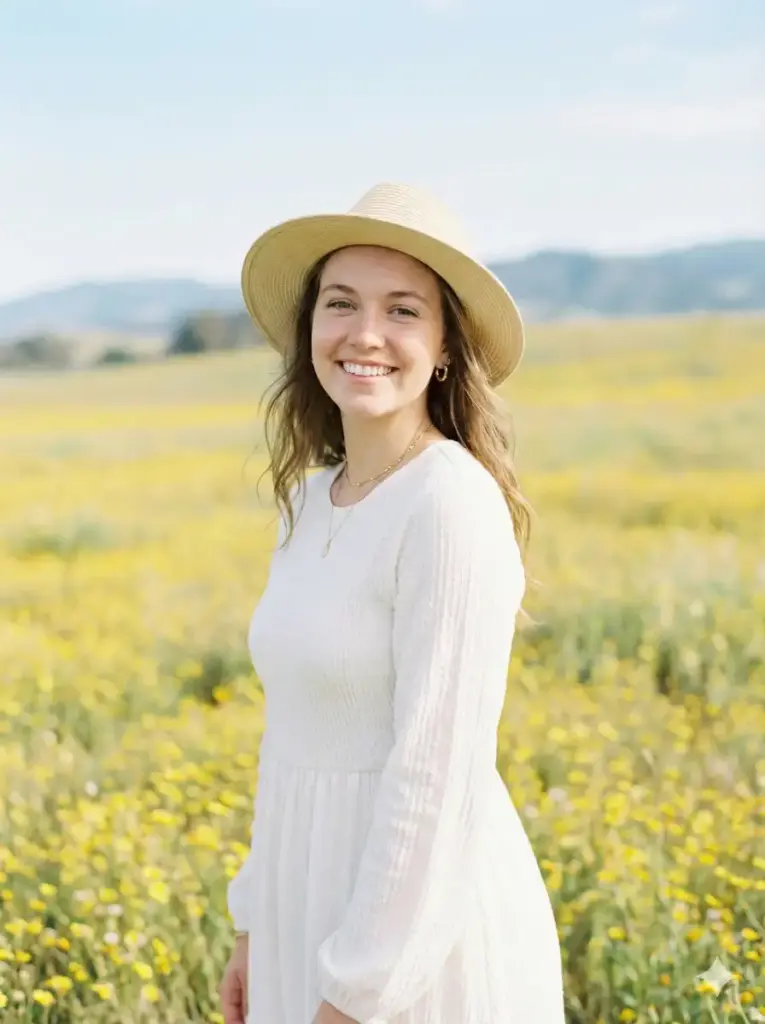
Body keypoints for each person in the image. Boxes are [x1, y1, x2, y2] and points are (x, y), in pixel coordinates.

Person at [219, 183, 566, 1024]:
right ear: (309, 332)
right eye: (340, 304)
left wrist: (361, 991)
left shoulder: (449, 503)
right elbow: (288, 734)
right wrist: (254, 924)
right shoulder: (307, 499)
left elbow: (436, 775)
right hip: (307, 907)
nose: (364, 335)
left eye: (402, 310)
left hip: (416, 944)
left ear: (445, 347)